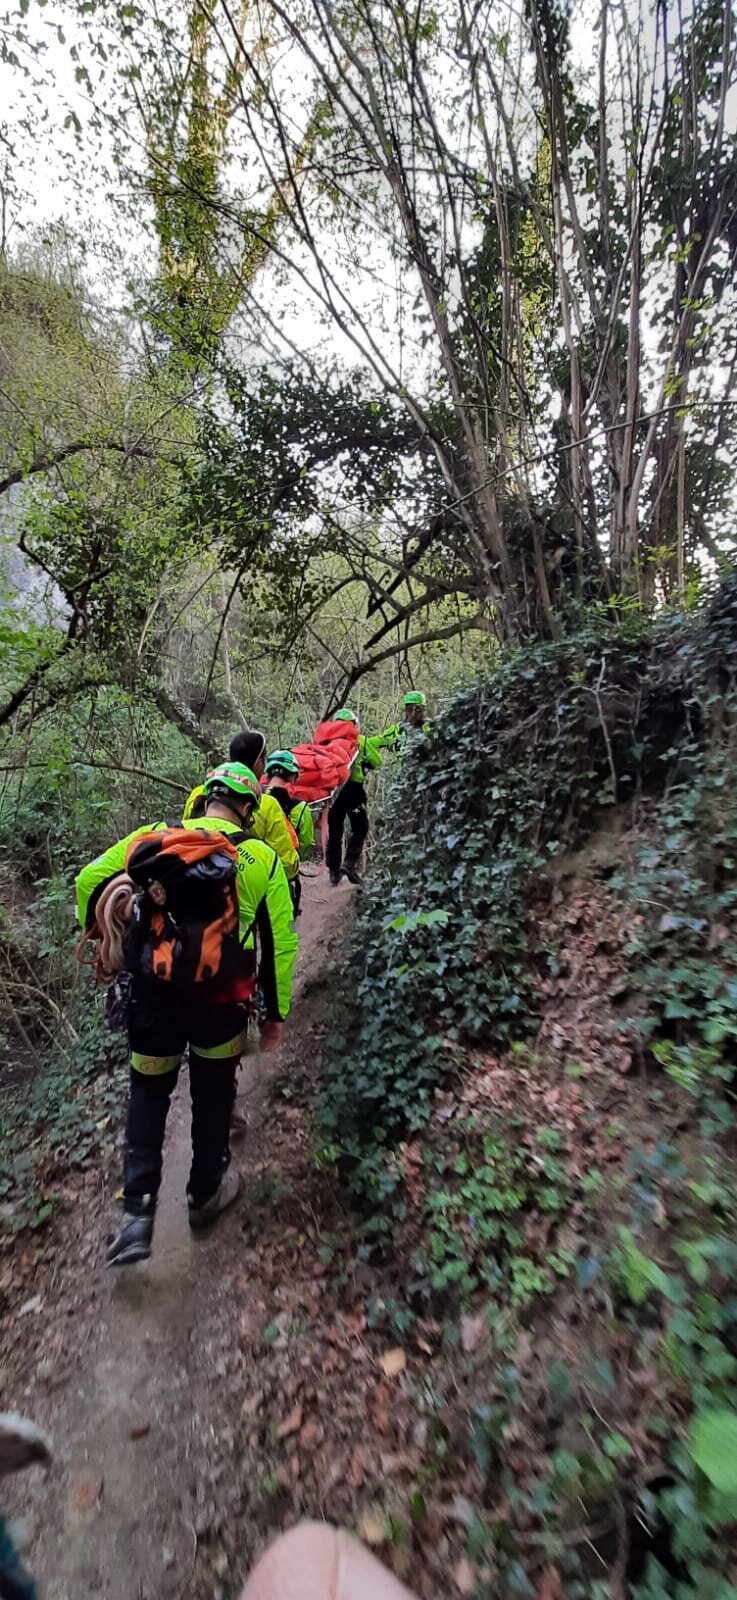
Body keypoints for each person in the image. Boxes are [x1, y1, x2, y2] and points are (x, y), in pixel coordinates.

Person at [75, 763, 297, 1268]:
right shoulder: (259, 856)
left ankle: (137, 1215)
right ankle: (204, 1192)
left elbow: (88, 880)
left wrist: (106, 931)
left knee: (149, 1093)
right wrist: (275, 1013)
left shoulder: (154, 838)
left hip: (153, 1001)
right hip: (219, 1004)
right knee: (213, 1093)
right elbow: (279, 943)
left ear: (203, 799)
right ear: (251, 806)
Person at [184, 730, 300, 887]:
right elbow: (287, 865)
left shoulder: (198, 793)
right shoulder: (267, 804)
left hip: (193, 879)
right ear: (258, 762)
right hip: (246, 887)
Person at [325, 708, 383, 887]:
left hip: (333, 791)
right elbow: (376, 761)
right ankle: (349, 863)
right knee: (361, 827)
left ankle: (334, 872)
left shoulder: (326, 741)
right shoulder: (360, 741)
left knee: (335, 830)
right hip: (353, 789)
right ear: (353, 724)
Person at [263, 750, 316, 917]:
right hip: (283, 875)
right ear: (293, 777)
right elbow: (305, 842)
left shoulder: (251, 797)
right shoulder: (300, 808)